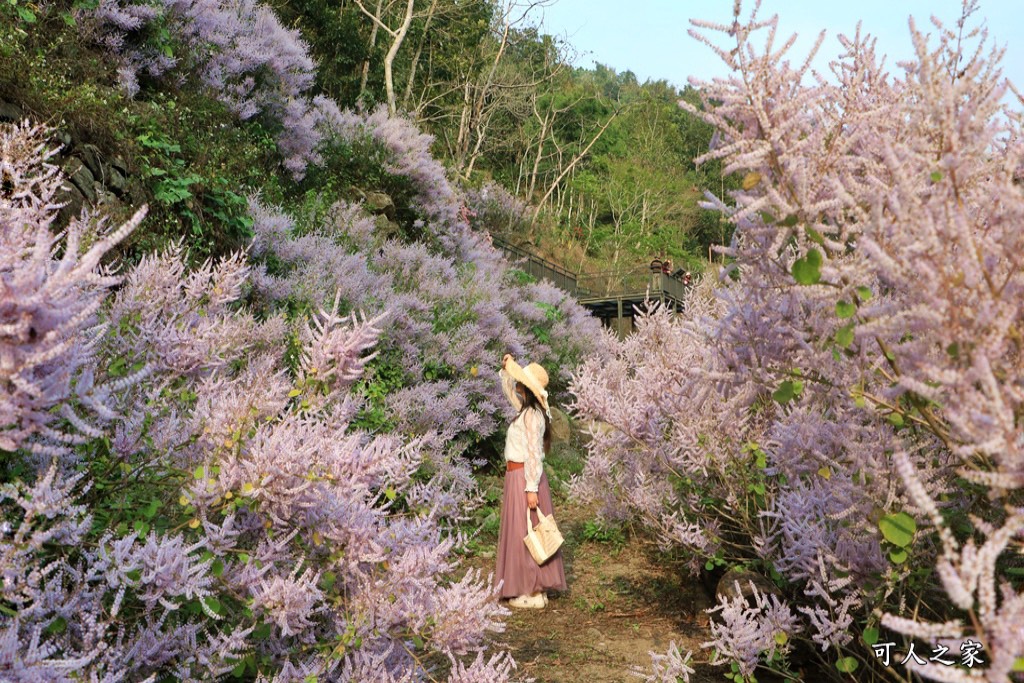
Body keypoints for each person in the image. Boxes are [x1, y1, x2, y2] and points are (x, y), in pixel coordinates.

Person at [494, 354, 567, 608]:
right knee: (523, 531)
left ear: (527, 388)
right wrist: (508, 369)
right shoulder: (526, 411)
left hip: (525, 478)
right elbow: (508, 392)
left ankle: (532, 590)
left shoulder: (532, 416)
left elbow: (534, 454)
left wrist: (531, 488)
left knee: (527, 531)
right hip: (517, 477)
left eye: (521, 383)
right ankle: (531, 588)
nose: (517, 386)